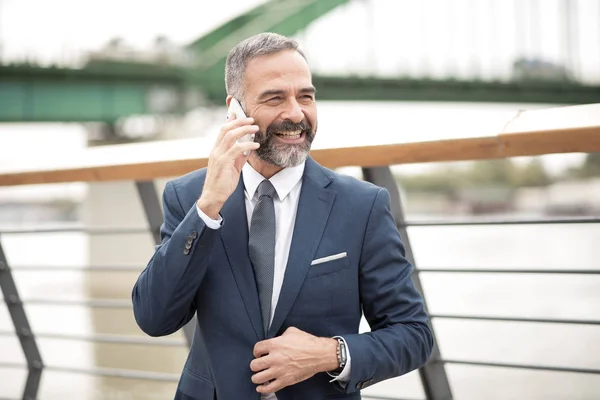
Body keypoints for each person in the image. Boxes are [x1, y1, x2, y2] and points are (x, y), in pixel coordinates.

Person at [132, 32, 433, 400]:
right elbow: (154, 318)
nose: (296, 112)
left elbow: (413, 334)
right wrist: (207, 208)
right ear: (235, 111)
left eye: (305, 96)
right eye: (275, 97)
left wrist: (330, 353)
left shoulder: (361, 205)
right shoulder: (190, 197)